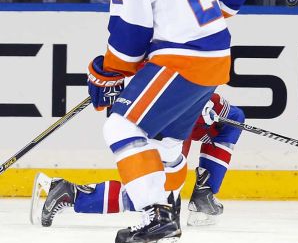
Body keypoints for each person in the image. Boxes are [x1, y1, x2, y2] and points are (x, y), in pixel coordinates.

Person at [85, 0, 245, 243]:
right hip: (215, 56)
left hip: (181, 58)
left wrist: (109, 73)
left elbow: (129, 34)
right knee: (166, 143)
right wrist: (191, 27)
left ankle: (154, 219)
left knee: (120, 125)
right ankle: (167, 215)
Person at [35, 93, 244, 227]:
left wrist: (200, 100)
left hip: (171, 101)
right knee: (160, 199)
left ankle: (204, 192)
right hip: (152, 115)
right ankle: (71, 193)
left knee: (232, 118)